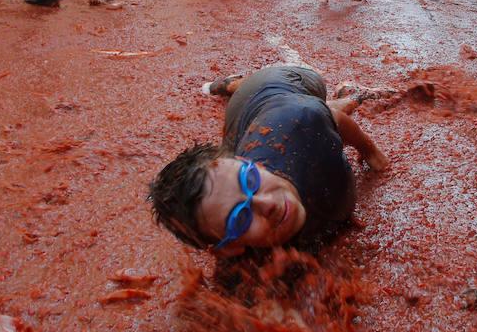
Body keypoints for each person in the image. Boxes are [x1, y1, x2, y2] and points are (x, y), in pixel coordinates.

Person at [149, 65, 388, 255]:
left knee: (320, 103)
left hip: (282, 83)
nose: (267, 204)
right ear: (230, 248)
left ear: (248, 161)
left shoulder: (301, 121)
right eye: (240, 217)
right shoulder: (250, 263)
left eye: (249, 177)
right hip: (249, 123)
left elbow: (332, 117)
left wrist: (369, 151)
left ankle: (231, 85)